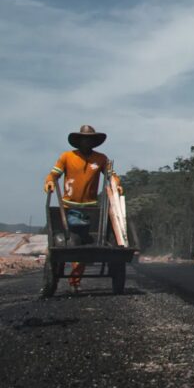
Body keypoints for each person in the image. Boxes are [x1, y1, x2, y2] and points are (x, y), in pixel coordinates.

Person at [43, 125, 122, 291]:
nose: (87, 141)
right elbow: (54, 174)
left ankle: (75, 282)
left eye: (90, 139)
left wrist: (116, 184)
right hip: (68, 207)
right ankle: (61, 279)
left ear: (94, 142)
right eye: (84, 138)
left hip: (90, 209)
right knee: (68, 244)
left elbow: (111, 175)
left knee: (84, 248)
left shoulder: (101, 159)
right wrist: (50, 182)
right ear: (78, 140)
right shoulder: (67, 157)